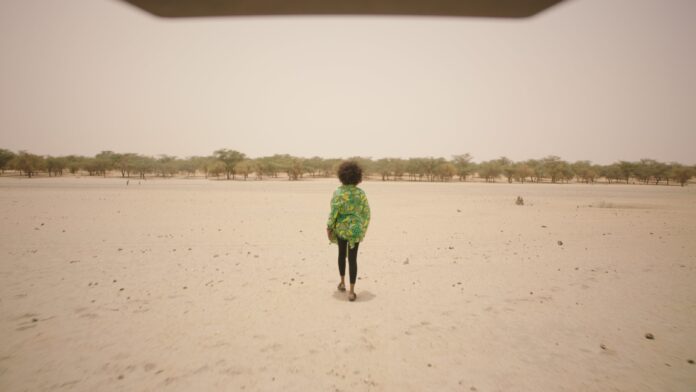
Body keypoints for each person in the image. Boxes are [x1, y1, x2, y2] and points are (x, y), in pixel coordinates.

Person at [326, 161, 371, 302]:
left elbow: (333, 212)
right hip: (355, 230)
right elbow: (366, 213)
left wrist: (329, 227)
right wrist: (361, 229)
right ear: (357, 176)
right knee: (353, 259)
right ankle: (351, 292)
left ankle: (342, 283)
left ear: (342, 176)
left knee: (341, 255)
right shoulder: (361, 194)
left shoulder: (338, 192)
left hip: (341, 229)